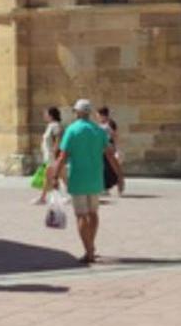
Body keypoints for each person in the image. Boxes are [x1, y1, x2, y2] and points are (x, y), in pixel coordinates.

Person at [48, 99, 124, 264]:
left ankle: (88, 250)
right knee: (93, 213)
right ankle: (91, 246)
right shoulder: (98, 130)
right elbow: (110, 154)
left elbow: (63, 156)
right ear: (89, 113)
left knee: (81, 215)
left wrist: (54, 176)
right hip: (96, 178)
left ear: (76, 112)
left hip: (78, 178)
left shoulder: (72, 130)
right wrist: (119, 175)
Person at [33, 107, 64, 205]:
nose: (44, 116)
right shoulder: (51, 125)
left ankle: (43, 198)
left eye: (46, 114)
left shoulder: (55, 126)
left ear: (51, 115)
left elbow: (58, 139)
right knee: (61, 176)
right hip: (49, 156)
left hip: (52, 156)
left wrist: (55, 152)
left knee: (49, 176)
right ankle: (71, 195)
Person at [96, 106, 122, 195]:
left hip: (109, 149)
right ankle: (105, 187)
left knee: (109, 168)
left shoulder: (110, 124)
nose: (97, 116)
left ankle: (115, 184)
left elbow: (114, 137)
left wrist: (117, 150)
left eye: (98, 114)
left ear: (102, 115)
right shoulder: (99, 125)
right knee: (103, 168)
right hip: (101, 149)